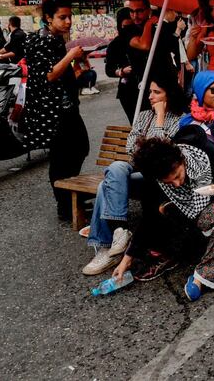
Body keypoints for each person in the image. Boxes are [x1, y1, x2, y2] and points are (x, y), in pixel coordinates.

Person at [120, 137, 214, 302]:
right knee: (205, 217)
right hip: (208, 202)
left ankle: (203, 276)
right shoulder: (155, 177)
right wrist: (128, 258)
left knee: (213, 216)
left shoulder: (203, 150)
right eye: (168, 182)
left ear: (181, 160)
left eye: (177, 175)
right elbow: (148, 216)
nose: (176, 184)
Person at [82, 74, 186, 275]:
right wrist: (146, 149)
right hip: (136, 171)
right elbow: (131, 147)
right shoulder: (143, 116)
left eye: (157, 92)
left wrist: (160, 119)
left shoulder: (180, 120)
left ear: (169, 94)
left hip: (158, 178)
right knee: (116, 168)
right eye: (150, 92)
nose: (151, 97)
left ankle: (107, 248)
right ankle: (120, 231)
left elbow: (161, 157)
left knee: (104, 186)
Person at [22, 0, 90, 219]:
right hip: (53, 112)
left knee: (79, 148)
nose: (68, 21)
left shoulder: (57, 40)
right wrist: (71, 56)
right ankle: (65, 205)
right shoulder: (40, 40)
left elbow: (67, 75)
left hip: (67, 107)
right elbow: (48, 75)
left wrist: (80, 63)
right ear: (49, 18)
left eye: (70, 16)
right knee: (62, 157)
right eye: (63, 17)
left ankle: (70, 196)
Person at [126, 0, 180, 105]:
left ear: (148, 10)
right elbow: (144, 45)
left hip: (165, 82)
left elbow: (174, 48)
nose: (135, 15)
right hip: (141, 85)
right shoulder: (128, 30)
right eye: (131, 11)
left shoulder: (161, 27)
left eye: (139, 11)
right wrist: (149, 24)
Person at [105, 8, 139, 122]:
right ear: (119, 26)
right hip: (128, 91)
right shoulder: (115, 45)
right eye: (125, 27)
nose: (128, 31)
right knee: (135, 124)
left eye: (132, 26)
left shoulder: (142, 40)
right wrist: (121, 72)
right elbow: (109, 70)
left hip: (147, 89)